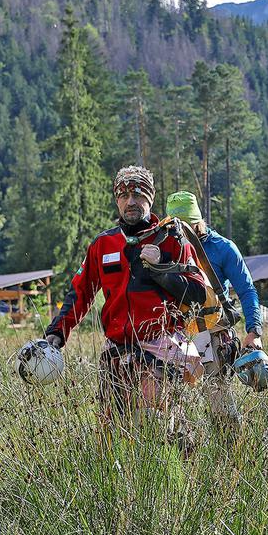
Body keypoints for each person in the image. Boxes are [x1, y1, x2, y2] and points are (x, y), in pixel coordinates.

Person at [42, 165, 209, 429]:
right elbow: (80, 293)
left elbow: (198, 293)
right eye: (123, 195)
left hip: (160, 347)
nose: (130, 201)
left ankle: (180, 464)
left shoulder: (172, 239)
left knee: (157, 425)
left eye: (138, 194)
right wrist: (58, 331)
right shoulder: (103, 244)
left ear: (150, 198)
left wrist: (161, 268)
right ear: (116, 200)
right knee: (112, 431)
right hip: (117, 352)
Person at [165, 191, 265, 427]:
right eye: (176, 225)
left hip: (214, 333)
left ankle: (230, 454)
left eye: (187, 225)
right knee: (173, 403)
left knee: (218, 398)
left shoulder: (223, 248)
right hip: (176, 335)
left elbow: (247, 290)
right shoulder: (165, 246)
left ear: (198, 221)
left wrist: (254, 331)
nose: (182, 232)